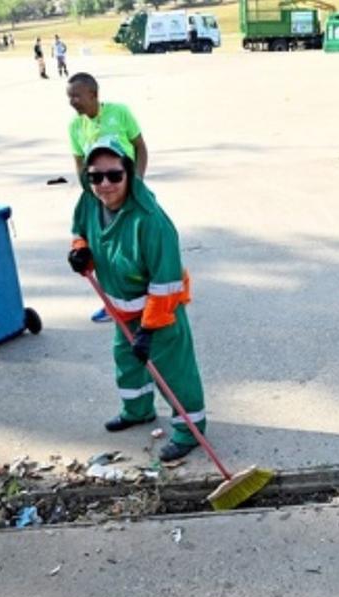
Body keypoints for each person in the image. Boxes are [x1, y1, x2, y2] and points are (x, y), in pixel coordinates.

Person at [67, 138, 206, 462]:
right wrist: (79, 251)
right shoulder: (88, 202)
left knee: (173, 373)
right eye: (95, 176)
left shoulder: (151, 222)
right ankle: (138, 410)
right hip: (121, 309)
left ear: (128, 173)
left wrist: (149, 329)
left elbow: (166, 283)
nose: (104, 184)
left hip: (160, 313)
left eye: (114, 175)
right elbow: (81, 231)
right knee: (127, 362)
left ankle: (190, 431)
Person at [66, 72, 150, 323]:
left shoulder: (120, 112)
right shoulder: (74, 126)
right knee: (104, 250)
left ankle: (148, 301)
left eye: (76, 96)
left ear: (93, 94)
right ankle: (112, 301)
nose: (72, 101)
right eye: (69, 97)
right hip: (101, 196)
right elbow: (79, 163)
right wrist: (90, 195)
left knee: (137, 247)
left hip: (128, 189)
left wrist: (138, 180)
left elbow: (140, 146)